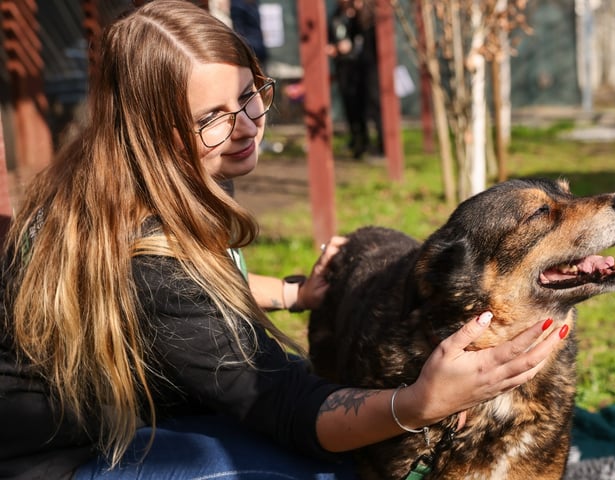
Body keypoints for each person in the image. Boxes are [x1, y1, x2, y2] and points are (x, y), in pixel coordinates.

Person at [0, 1, 563, 479]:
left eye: (250, 94)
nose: (248, 125)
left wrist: (294, 295)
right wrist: (418, 404)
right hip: (60, 463)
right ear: (154, 133)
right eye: (213, 117)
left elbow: (212, 280)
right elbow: (287, 406)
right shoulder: (148, 263)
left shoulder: (119, 181)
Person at [326, 0, 384, 159]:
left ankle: (382, 145)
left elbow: (365, 37)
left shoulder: (367, 13)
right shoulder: (337, 15)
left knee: (374, 105)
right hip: (349, 68)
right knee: (353, 108)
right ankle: (360, 143)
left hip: (369, 68)